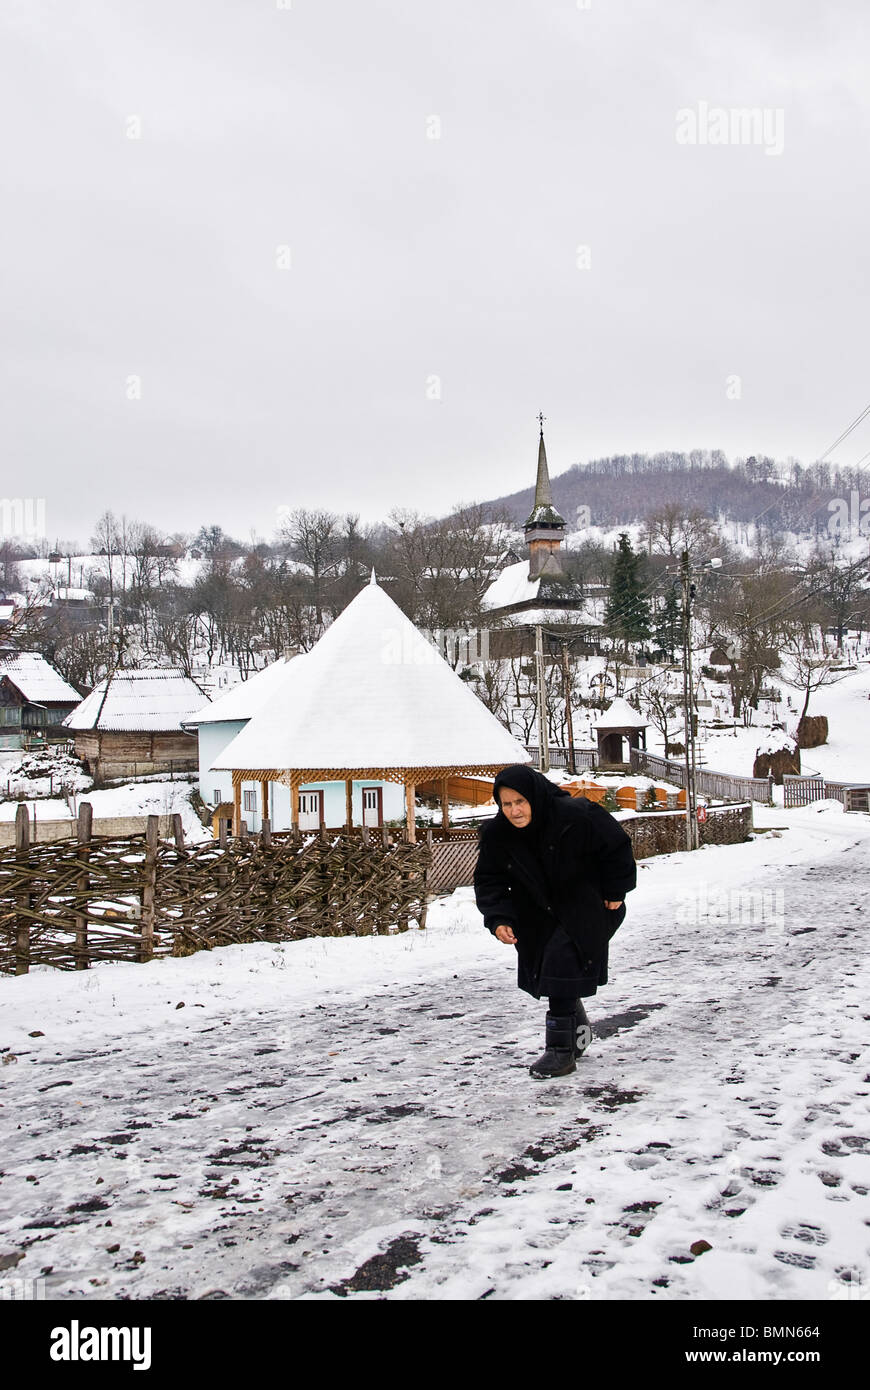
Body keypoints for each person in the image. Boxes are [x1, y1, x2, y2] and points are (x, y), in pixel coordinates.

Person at [474, 764, 637, 1080]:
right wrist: (498, 918)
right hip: (536, 915)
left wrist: (616, 889)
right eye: (506, 804)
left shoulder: (577, 815)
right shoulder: (497, 834)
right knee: (552, 969)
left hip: (589, 906)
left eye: (520, 802)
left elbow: (617, 846)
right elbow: (489, 880)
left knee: (561, 964)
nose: (514, 811)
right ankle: (579, 1033)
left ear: (534, 796)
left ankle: (561, 1052)